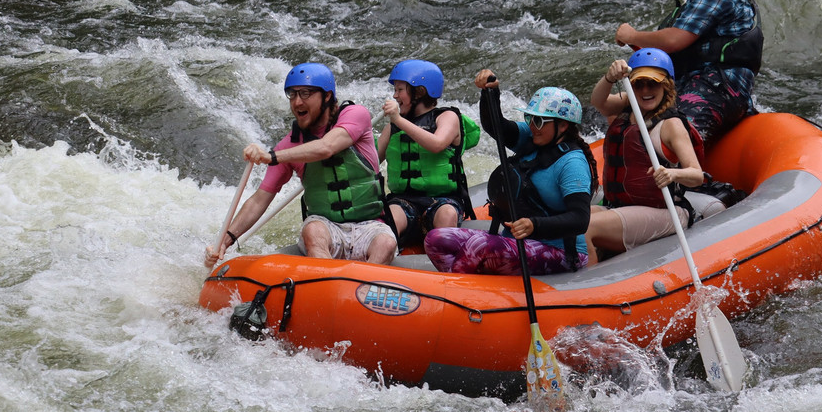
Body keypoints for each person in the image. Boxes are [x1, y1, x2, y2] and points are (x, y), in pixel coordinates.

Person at [204, 62, 397, 268]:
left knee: (386, 243)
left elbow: (326, 147)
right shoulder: (290, 145)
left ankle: (366, 288)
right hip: (327, 228)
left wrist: (272, 156)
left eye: (305, 93)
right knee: (313, 230)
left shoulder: (355, 115)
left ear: (327, 96)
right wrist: (225, 241)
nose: (297, 102)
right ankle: (327, 283)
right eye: (292, 95)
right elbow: (259, 199)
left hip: (369, 225)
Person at [423, 70, 597, 275]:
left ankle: (458, 291)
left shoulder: (572, 163)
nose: (533, 126)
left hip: (560, 252)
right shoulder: (533, 139)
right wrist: (490, 93)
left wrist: (535, 225)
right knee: (436, 239)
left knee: (479, 245)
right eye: (530, 118)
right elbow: (497, 127)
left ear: (563, 125)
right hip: (515, 242)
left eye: (539, 121)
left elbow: (580, 219)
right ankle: (471, 288)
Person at [615, 0, 763, 150]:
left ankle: (691, 180)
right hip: (698, 82)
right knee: (623, 117)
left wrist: (631, 36)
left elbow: (674, 40)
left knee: (670, 134)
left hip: (719, 86)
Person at [585, 48, 722, 264]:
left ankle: (588, 288)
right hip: (620, 206)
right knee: (572, 221)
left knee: (586, 228)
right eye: (639, 84)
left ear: (666, 86)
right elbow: (598, 101)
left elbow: (696, 175)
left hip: (663, 211)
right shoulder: (626, 106)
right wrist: (609, 78)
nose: (645, 90)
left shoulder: (671, 125)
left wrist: (672, 174)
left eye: (653, 83)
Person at [377, 59, 480, 248]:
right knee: (389, 218)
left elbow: (437, 144)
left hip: (443, 200)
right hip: (403, 201)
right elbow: (370, 163)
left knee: (447, 214)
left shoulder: (447, 117)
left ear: (420, 92)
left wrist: (398, 120)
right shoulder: (392, 127)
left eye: (400, 90)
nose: (395, 95)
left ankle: (446, 262)